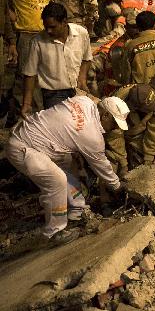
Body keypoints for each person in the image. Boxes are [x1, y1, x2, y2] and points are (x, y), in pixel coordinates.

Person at [5, 95, 128, 244]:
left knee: (67, 161)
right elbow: (102, 166)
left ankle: (77, 211)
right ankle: (55, 231)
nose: (115, 129)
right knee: (57, 180)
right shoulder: (92, 137)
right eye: (115, 124)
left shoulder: (84, 101)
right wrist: (117, 185)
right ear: (106, 115)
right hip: (23, 147)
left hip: (33, 135)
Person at [21, 3, 92, 115]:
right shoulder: (37, 41)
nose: (48, 31)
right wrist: (27, 104)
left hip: (78, 92)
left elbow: (87, 58)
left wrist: (82, 78)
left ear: (64, 22)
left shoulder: (81, 33)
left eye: (52, 27)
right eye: (46, 27)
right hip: (53, 95)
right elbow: (30, 74)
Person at [5, 0, 54, 75]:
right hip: (25, 34)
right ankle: (19, 95)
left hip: (44, 33)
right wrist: (8, 12)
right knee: (25, 73)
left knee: (43, 72)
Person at [105, 84, 155, 173]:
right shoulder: (115, 107)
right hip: (125, 130)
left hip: (138, 126)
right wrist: (123, 162)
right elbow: (115, 137)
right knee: (117, 162)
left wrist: (150, 156)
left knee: (152, 157)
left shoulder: (151, 97)